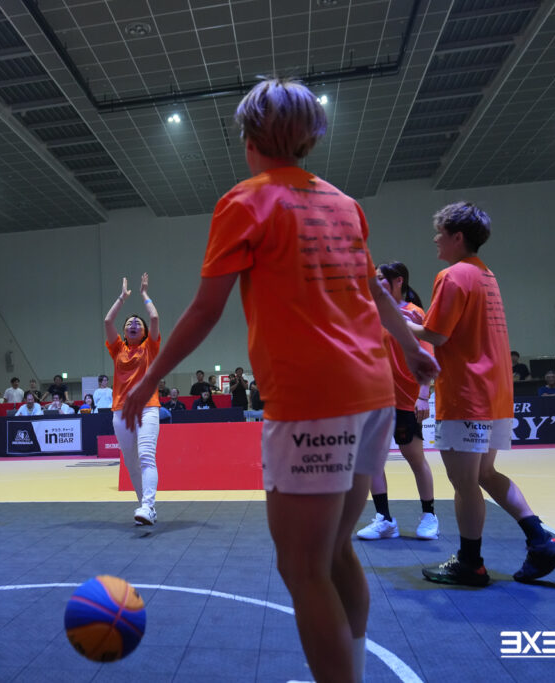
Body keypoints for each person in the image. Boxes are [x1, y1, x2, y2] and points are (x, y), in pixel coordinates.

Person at [120, 79, 438, 681]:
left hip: (311, 400)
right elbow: (373, 290)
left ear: (249, 137)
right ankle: (349, 669)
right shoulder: (345, 204)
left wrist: (147, 380)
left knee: (302, 567)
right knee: (335, 551)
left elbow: (205, 311)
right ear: (309, 138)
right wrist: (408, 347)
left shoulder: (243, 202)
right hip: (373, 393)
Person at [408, 202, 555, 588]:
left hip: (467, 394)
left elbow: (437, 337)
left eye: (440, 232)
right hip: (495, 393)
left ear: (457, 236)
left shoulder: (451, 275)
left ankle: (471, 563)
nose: (435, 239)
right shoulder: (485, 275)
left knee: (464, 482)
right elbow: (455, 328)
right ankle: (540, 540)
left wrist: (391, 321)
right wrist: (422, 320)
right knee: (484, 474)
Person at [356, 262, 438, 542]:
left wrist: (423, 395)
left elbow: (427, 357)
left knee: (415, 458)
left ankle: (429, 515)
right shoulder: (371, 312)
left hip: (406, 400)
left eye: (381, 278)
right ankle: (385, 520)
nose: (376, 283)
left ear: (399, 280)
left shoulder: (415, 313)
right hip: (375, 400)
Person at [104, 273, 161, 526]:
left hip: (147, 408)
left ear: (145, 331)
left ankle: (148, 505)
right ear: (125, 332)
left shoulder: (150, 347)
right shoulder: (117, 348)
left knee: (146, 455)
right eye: (129, 323)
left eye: (138, 322)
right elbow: (108, 320)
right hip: (121, 411)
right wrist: (122, 298)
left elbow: (155, 317)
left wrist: (144, 294)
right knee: (131, 462)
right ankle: (145, 507)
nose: (134, 324)